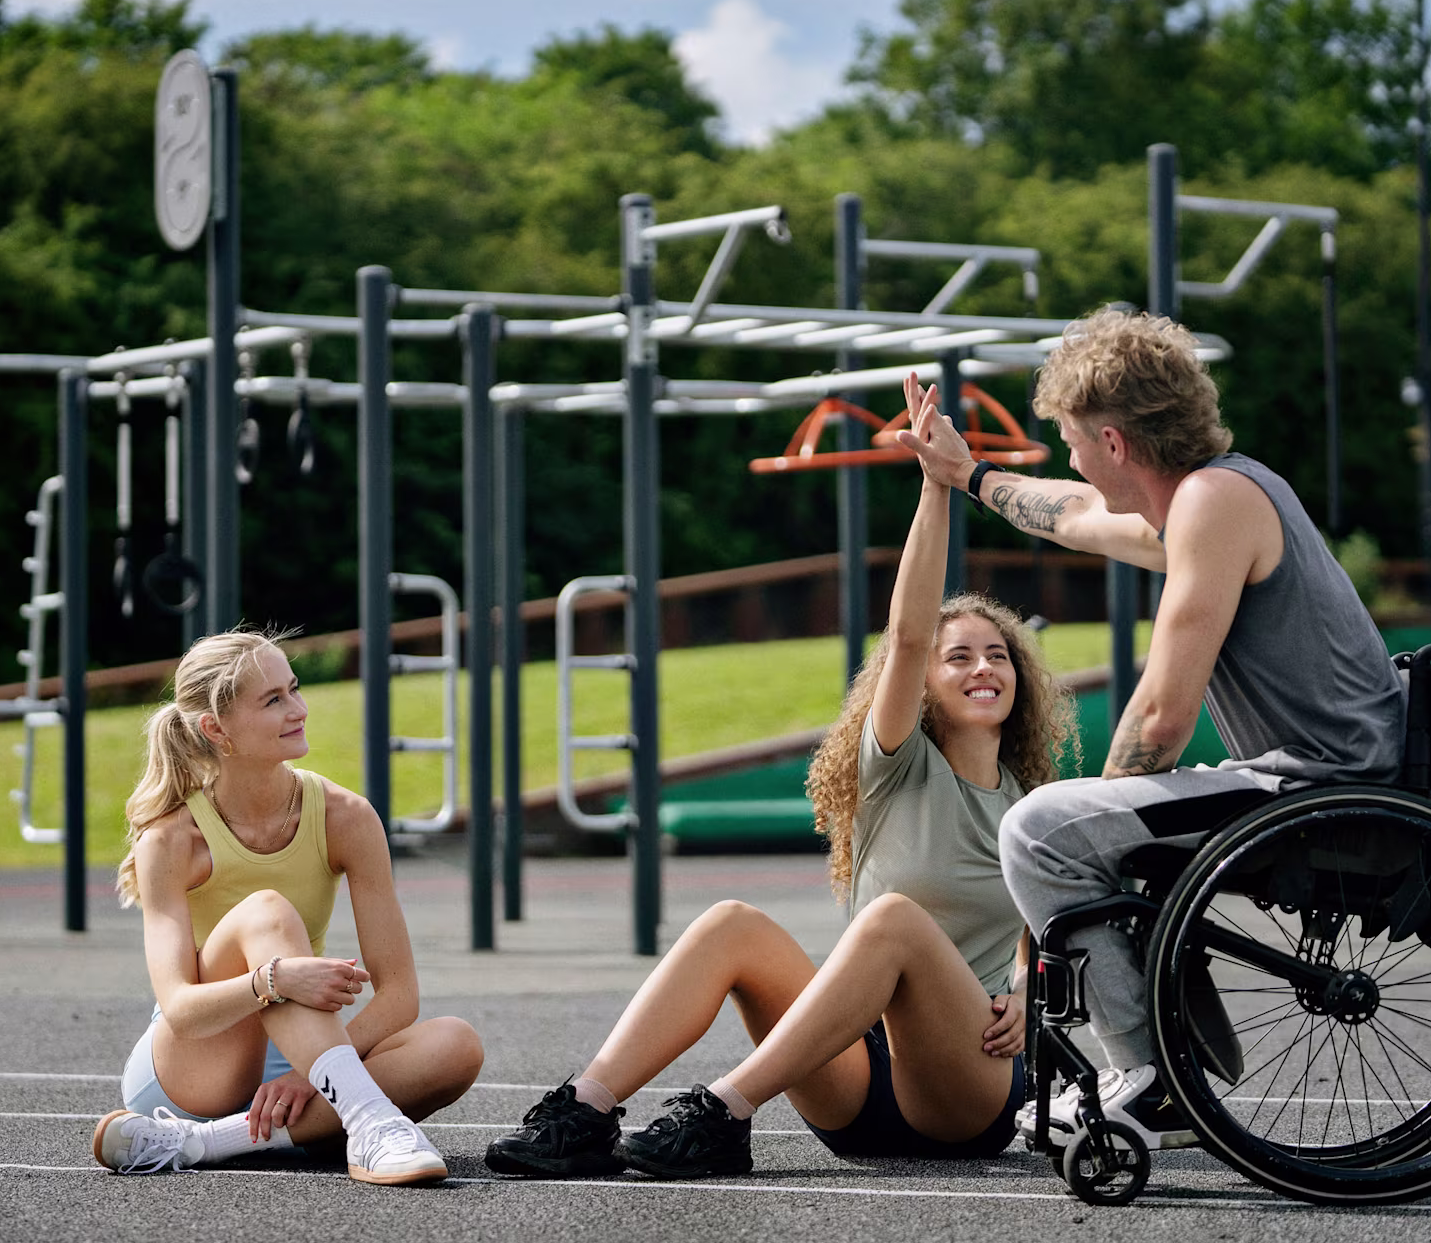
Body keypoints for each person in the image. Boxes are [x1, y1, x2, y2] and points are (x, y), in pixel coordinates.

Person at [484, 391, 1077, 1180]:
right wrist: (936, 484)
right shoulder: (897, 763)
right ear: (925, 686)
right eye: (959, 656)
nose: (983, 668)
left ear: (1021, 680)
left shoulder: (1027, 810)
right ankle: (585, 1110)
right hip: (855, 1080)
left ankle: (723, 1109)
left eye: (998, 655)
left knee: (896, 921)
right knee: (732, 922)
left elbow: (1058, 940)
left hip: (966, 1089)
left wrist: (1022, 1002)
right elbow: (905, 634)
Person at [897, 305, 1407, 1153]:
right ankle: (1163, 1057)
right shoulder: (1213, 497)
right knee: (1074, 829)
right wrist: (969, 472)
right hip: (1319, 774)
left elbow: (1163, 714)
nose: (1070, 456)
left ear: (1114, 443)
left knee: (1040, 829)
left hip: (1322, 785)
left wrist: (1084, 817)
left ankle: (1151, 1076)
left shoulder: (1214, 502)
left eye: (1070, 437)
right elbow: (1067, 512)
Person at [90, 628, 483, 1183]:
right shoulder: (172, 841)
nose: (298, 709)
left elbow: (399, 995)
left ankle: (208, 1144)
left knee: (455, 1045)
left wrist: (314, 1076)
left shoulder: (346, 817)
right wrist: (273, 980)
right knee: (266, 912)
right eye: (273, 700)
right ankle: (368, 1122)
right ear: (215, 729)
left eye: (293, 689)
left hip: (313, 1062)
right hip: (196, 1065)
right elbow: (179, 1007)